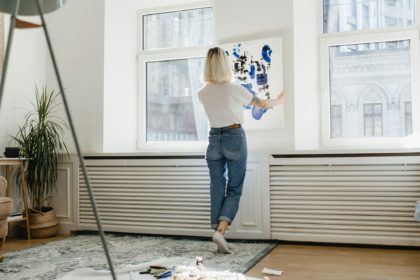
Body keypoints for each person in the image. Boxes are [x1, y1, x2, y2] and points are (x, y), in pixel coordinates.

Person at [197, 47, 285, 253]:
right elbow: (261, 103)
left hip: (213, 140)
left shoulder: (201, 92)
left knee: (217, 188)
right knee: (234, 189)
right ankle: (220, 232)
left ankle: (218, 235)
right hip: (234, 137)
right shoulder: (234, 88)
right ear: (224, 64)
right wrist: (280, 100)